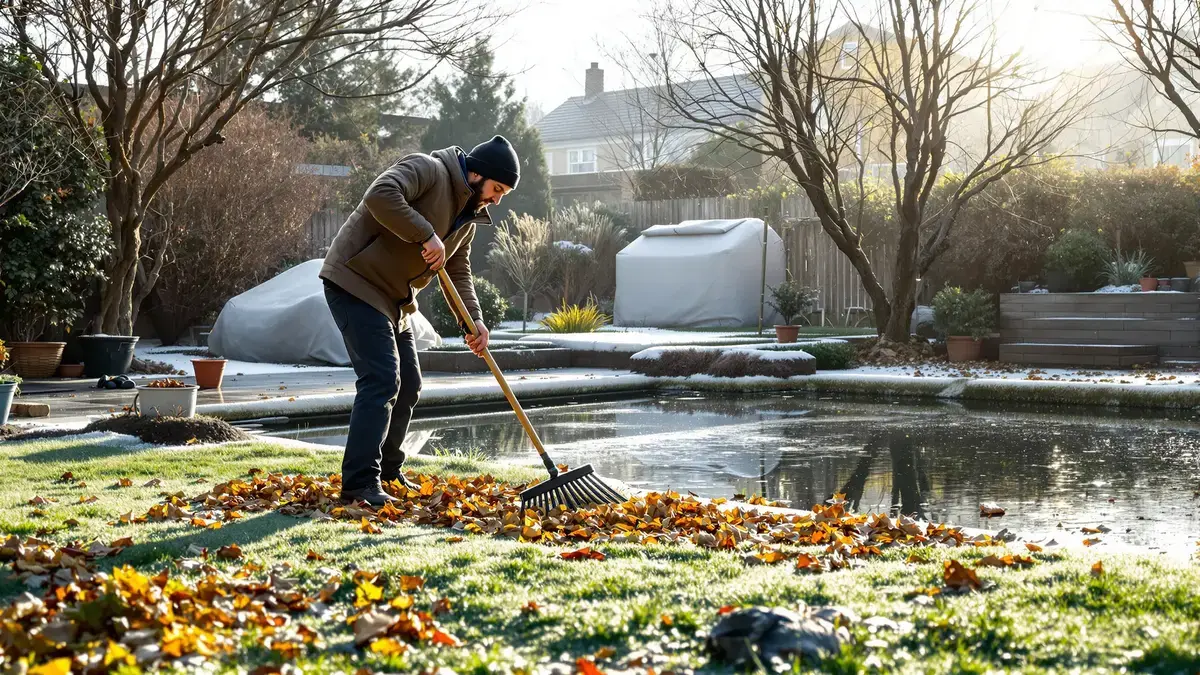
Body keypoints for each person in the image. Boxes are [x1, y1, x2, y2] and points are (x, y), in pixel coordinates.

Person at [319, 136, 519, 506]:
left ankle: (387, 472)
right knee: (381, 379)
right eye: (497, 189)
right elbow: (380, 195)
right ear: (478, 174)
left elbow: (457, 271)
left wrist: (473, 320)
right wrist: (426, 234)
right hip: (355, 281)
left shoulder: (468, 221)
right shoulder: (428, 169)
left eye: (503, 194)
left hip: (396, 300)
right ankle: (359, 485)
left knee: (409, 384)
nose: (497, 200)